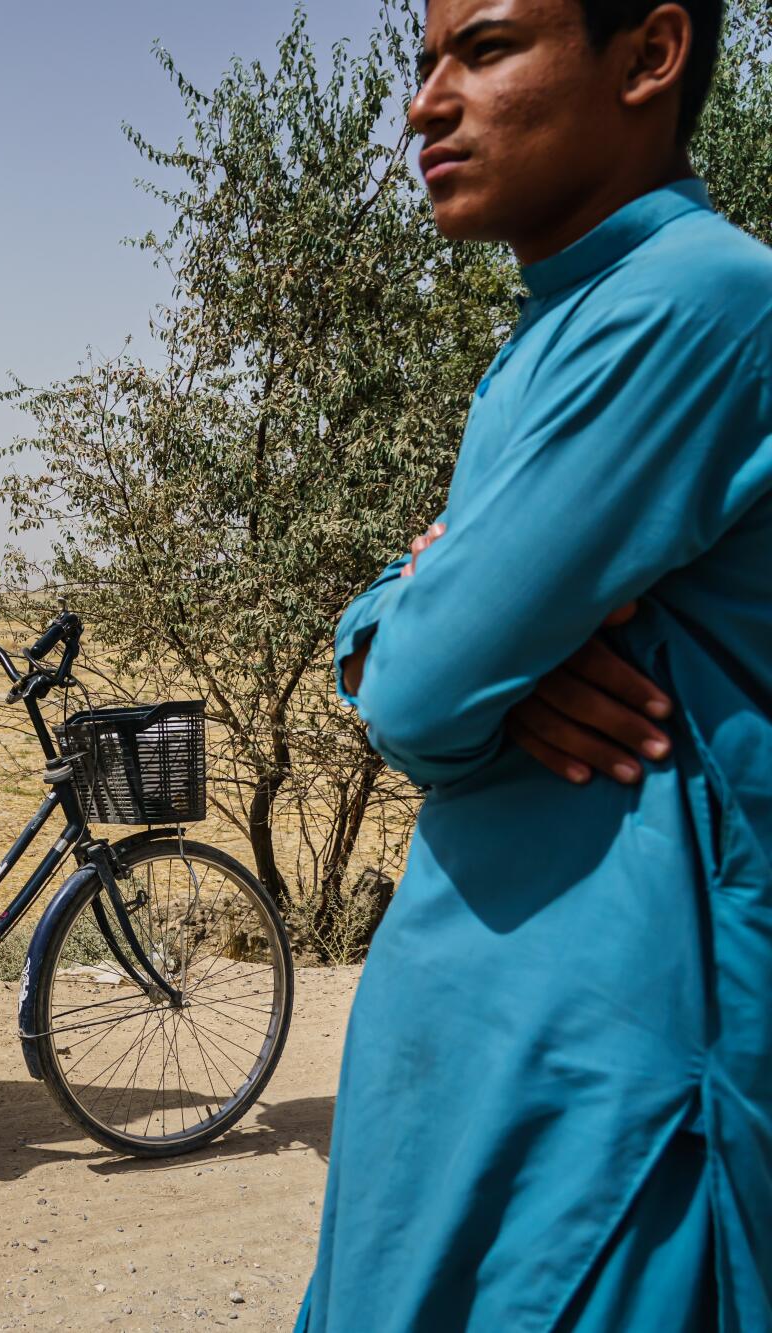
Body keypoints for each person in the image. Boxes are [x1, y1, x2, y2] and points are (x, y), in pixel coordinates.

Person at [299, 1, 772, 1328]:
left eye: (486, 49)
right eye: (424, 61)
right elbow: (416, 652)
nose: (425, 104)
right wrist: (413, 620)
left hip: (605, 1072)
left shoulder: (699, 299)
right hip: (496, 1049)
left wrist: (432, 640)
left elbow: (421, 688)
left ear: (651, 55)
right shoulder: (563, 321)